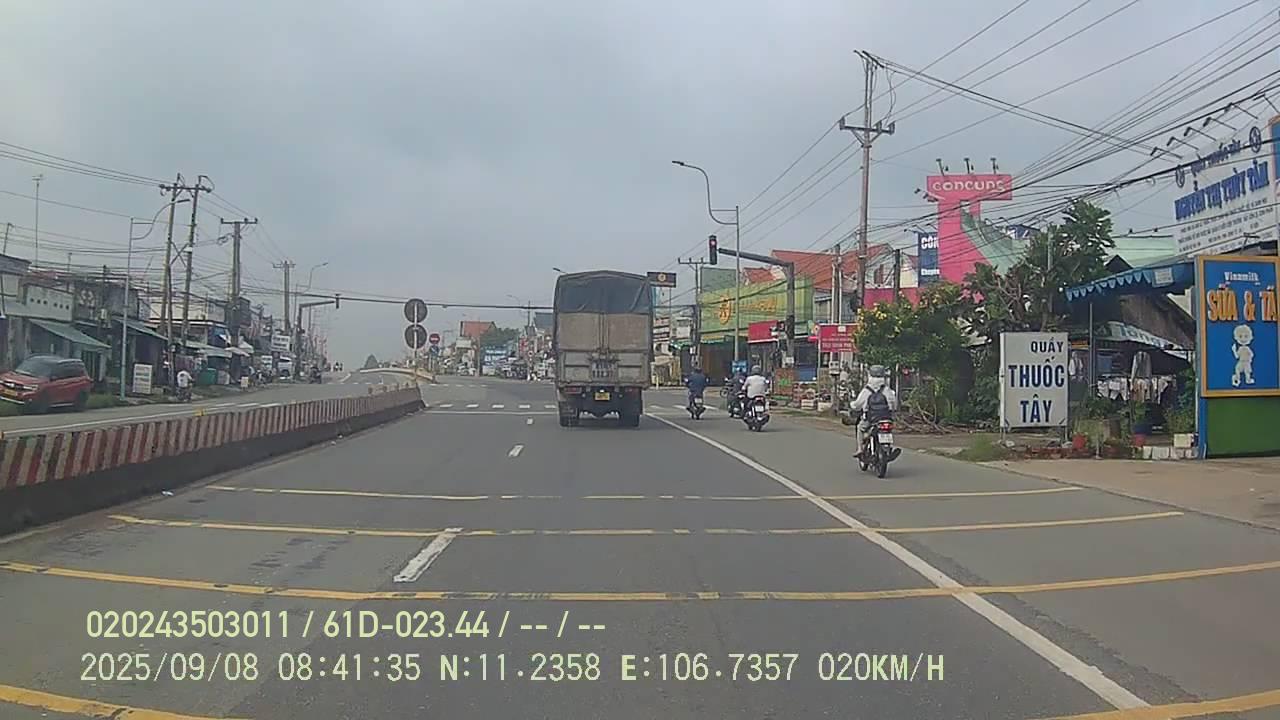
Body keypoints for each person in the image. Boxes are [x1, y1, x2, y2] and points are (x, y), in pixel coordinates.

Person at [850, 364, 899, 459]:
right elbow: (894, 404)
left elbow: (857, 405)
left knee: (860, 428)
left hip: (871, 419)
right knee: (888, 430)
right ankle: (888, 449)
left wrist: (852, 405)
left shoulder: (867, 390)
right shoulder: (887, 390)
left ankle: (860, 449)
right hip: (886, 419)